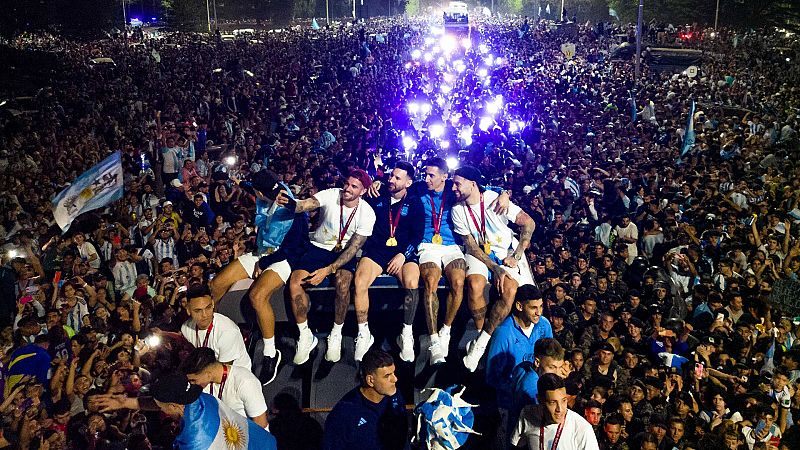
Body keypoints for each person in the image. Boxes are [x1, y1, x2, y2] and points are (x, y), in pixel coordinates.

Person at [209, 169, 309, 384]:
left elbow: (292, 249)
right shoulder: (266, 193)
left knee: (257, 296)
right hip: (261, 252)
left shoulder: (296, 212)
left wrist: (263, 265)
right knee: (216, 284)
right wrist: (237, 182)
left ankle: (271, 353)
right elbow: (249, 186)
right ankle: (212, 332)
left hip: (282, 258)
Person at [279, 169, 376, 364]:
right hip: (317, 247)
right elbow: (307, 204)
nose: (347, 188)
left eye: (354, 186)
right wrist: (292, 204)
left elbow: (353, 249)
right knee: (295, 283)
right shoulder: (331, 194)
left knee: (343, 284)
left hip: (343, 253)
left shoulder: (367, 213)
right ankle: (305, 335)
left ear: (363, 191)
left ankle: (336, 332)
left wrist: (328, 270)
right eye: (347, 183)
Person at [450, 165, 537, 372]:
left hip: (504, 252)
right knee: (475, 284)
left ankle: (481, 343)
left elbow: (529, 223)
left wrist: (516, 255)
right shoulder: (457, 210)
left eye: (457, 184)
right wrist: (494, 268)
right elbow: (471, 246)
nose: (453, 188)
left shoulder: (493, 199)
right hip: (479, 254)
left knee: (510, 290)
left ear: (472, 184)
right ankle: (481, 335)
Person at [91, 373, 277, 450]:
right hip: (264, 441)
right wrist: (125, 402)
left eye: (160, 406)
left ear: (173, 406)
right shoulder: (202, 399)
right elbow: (162, 403)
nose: (158, 408)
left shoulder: (194, 441)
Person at [352, 162, 423, 362]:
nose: (391, 180)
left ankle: (406, 333)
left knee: (412, 282)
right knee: (360, 281)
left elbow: (417, 235)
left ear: (408, 182)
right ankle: (363, 332)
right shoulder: (377, 194)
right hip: (377, 251)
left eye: (397, 178)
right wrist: (375, 182)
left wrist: (403, 255)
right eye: (391, 176)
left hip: (402, 252)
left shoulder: (415, 202)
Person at [485, 285, 552, 450]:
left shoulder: (544, 325)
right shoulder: (503, 333)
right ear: (520, 306)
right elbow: (492, 377)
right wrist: (517, 389)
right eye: (534, 308)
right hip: (510, 407)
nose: (539, 312)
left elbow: (551, 357)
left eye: (541, 307)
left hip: (538, 403)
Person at [323, 348, 408, 450]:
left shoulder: (395, 397)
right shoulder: (344, 413)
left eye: (393, 373)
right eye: (387, 376)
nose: (395, 379)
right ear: (370, 380)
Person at [179, 347, 269, 428]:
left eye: (194, 380)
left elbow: (261, 424)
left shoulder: (245, 382)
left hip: (248, 437)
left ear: (208, 374)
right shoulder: (205, 383)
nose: (192, 384)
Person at [511, 372, 600, 450]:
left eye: (563, 400)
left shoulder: (582, 429)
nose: (560, 409)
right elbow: (516, 445)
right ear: (539, 400)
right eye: (552, 402)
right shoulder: (528, 414)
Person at [180, 284, 251, 370]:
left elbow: (223, 371)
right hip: (205, 372)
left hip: (234, 375)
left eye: (208, 308)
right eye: (198, 311)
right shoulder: (186, 329)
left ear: (213, 304)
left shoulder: (227, 331)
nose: (204, 315)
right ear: (188, 310)